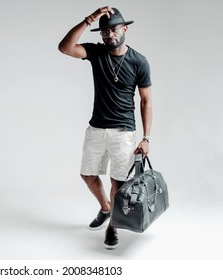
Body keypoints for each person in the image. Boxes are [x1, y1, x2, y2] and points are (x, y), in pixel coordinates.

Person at [58, 6, 152, 249]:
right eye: (104, 31)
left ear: (125, 29)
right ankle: (105, 208)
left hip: (124, 131)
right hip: (96, 127)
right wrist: (89, 19)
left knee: (118, 183)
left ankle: (112, 228)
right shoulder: (96, 53)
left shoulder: (139, 61)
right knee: (88, 175)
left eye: (113, 30)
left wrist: (146, 137)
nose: (109, 35)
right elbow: (65, 48)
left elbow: (146, 101)